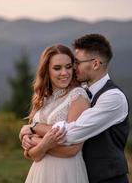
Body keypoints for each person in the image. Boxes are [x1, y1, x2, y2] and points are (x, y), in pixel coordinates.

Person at [20, 34, 129, 183]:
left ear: (95, 64)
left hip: (107, 178)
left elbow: (70, 134)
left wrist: (33, 129)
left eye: (75, 63)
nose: (72, 69)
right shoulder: (77, 89)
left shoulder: (112, 98)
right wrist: (35, 143)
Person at [23, 44, 91, 183]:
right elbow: (30, 154)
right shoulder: (42, 97)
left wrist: (38, 142)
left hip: (66, 172)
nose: (64, 73)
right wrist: (40, 145)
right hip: (39, 172)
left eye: (68, 66)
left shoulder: (78, 96)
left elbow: (72, 149)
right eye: (57, 68)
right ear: (46, 70)